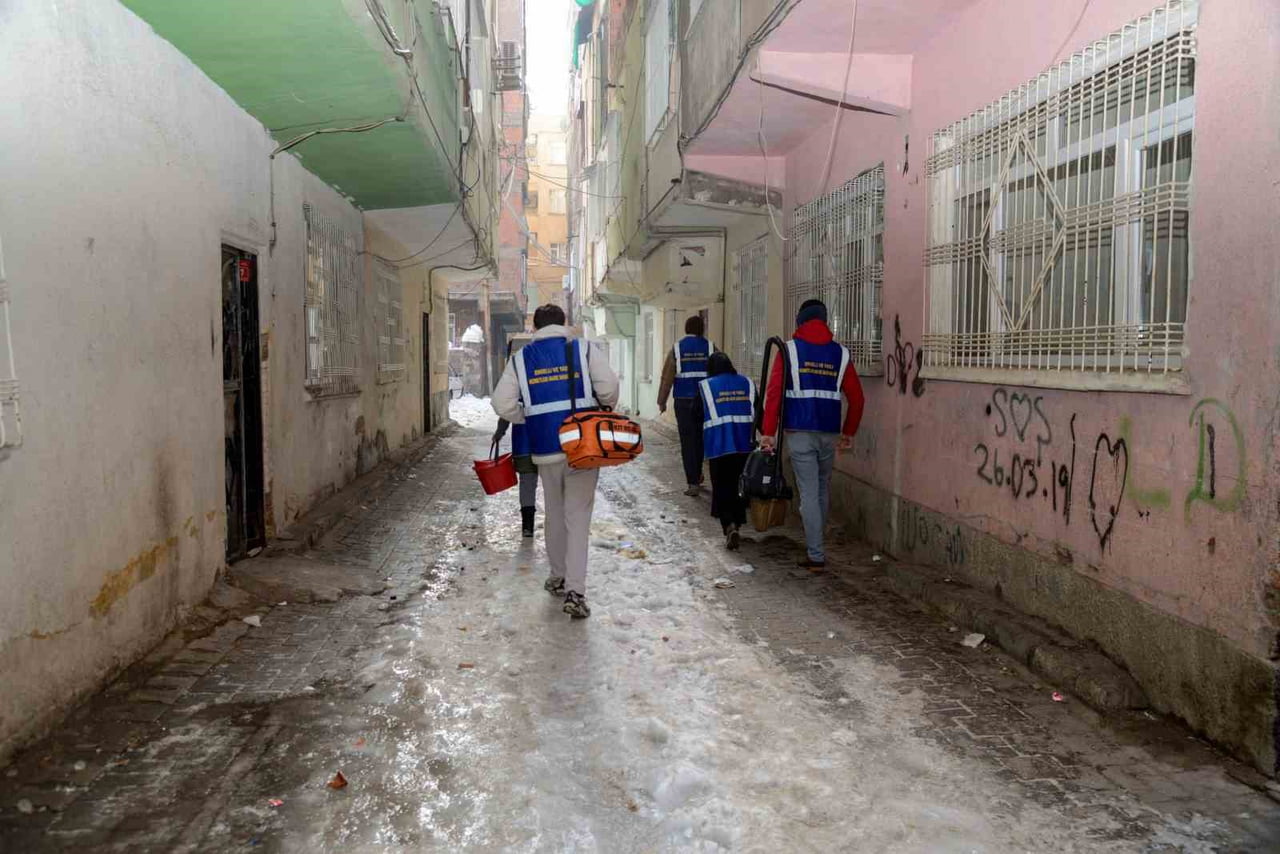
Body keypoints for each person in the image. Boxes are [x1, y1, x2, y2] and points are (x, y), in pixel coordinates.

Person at [492, 304, 619, 618]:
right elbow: (609, 389)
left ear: (535, 328)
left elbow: (501, 403)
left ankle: (558, 575)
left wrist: (528, 416)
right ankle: (575, 591)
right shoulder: (584, 350)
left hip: (545, 448)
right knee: (578, 517)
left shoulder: (521, 360)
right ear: (564, 324)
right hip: (584, 446)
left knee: (555, 512)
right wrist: (601, 405)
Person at [760, 299, 865, 569]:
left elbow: (773, 394)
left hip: (799, 433)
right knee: (821, 489)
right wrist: (849, 432)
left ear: (800, 320)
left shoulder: (789, 351)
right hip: (828, 433)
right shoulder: (840, 354)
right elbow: (857, 397)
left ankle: (816, 554)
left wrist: (768, 432)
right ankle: (817, 544)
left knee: (808, 493)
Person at [699, 352, 755, 550]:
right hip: (744, 445)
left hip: (719, 445)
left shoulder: (706, 386)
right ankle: (737, 523)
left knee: (722, 486)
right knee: (739, 485)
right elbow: (759, 413)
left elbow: (695, 414)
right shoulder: (748, 383)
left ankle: (729, 525)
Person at [657, 316, 716, 496]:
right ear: (702, 329)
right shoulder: (711, 347)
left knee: (688, 442)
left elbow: (667, 378)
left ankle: (692, 482)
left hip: (683, 402)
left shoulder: (677, 349)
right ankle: (698, 474)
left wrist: (662, 401)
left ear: (686, 328)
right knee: (701, 439)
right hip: (705, 402)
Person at [492, 416, 537, 537]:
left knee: (527, 484)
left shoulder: (518, 395)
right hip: (552, 442)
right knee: (553, 483)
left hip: (524, 441)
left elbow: (507, 408)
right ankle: (557, 523)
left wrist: (500, 431)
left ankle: (528, 526)